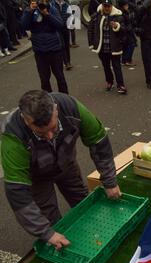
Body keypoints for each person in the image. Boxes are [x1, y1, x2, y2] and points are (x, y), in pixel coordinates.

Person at [0, 90, 121, 250]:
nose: (50, 136)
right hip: (37, 177)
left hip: (66, 164)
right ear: (26, 120)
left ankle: (94, 236)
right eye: (41, 133)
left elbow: (98, 141)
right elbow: (17, 192)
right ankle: (63, 247)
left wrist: (110, 181)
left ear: (56, 109)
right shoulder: (13, 137)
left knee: (80, 199)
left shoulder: (71, 107)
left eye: (53, 127)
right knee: (50, 218)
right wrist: (46, 233)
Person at [22, 0, 69, 94]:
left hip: (54, 49)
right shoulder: (30, 11)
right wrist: (30, 11)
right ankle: (47, 101)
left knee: (60, 76)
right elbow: (24, 26)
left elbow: (60, 25)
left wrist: (47, 14)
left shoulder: (52, 9)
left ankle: (65, 98)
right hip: (39, 51)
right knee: (44, 79)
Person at [88, 0, 127, 94]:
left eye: (108, 6)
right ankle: (109, 82)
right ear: (102, 6)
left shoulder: (118, 16)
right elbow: (90, 29)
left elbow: (124, 30)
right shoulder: (97, 16)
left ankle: (121, 85)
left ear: (111, 6)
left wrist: (117, 26)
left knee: (117, 66)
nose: (106, 8)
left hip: (114, 47)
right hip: (102, 47)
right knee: (106, 66)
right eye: (104, 6)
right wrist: (92, 43)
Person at [51, 0, 73, 70]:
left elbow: (70, 15)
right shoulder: (52, 4)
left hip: (66, 28)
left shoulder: (66, 4)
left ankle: (68, 61)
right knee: (62, 45)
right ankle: (66, 63)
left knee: (66, 45)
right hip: (57, 28)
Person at [118, 0, 137, 66]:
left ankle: (124, 60)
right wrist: (129, 28)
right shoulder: (122, 14)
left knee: (126, 46)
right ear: (123, 6)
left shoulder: (125, 12)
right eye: (126, 5)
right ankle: (127, 60)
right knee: (131, 44)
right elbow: (124, 23)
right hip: (127, 32)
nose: (128, 6)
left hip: (127, 32)